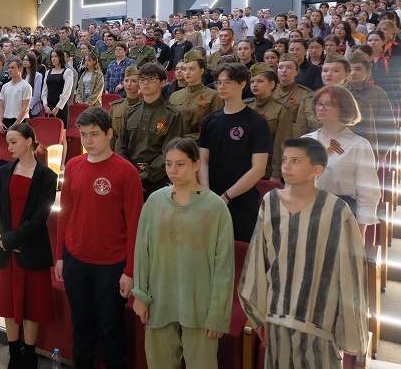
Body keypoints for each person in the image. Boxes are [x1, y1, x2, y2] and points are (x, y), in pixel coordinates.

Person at [239, 137, 369, 367]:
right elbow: (258, 258)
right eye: (285, 160)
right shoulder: (270, 201)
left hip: (319, 323)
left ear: (316, 170)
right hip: (277, 315)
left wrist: (348, 327)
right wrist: (257, 314)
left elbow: (351, 270)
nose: (286, 166)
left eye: (296, 161)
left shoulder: (337, 211)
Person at [132, 137, 234, 368]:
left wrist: (218, 314)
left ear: (196, 164)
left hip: (199, 303)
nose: (173, 171)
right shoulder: (155, 202)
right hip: (160, 299)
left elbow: (224, 266)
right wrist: (140, 295)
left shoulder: (215, 207)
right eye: (169, 164)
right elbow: (142, 252)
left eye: (180, 164)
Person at [55, 107, 143, 369]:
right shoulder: (74, 165)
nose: (88, 140)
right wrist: (60, 255)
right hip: (76, 258)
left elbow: (135, 225)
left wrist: (130, 271)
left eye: (94, 134)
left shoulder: (126, 171)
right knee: (81, 325)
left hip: (111, 264)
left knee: (110, 327)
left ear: (109, 134)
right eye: (83, 134)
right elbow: (64, 213)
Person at [0, 123, 58, 369]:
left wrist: (13, 240)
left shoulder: (47, 176)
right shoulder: (4, 170)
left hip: (30, 247)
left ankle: (29, 354)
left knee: (31, 305)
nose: (9, 147)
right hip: (5, 246)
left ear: (29, 142)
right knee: (8, 303)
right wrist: (3, 236)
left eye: (14, 142)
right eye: (8, 142)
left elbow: (40, 216)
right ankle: (14, 353)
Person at [198, 63, 272, 242]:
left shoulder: (257, 123)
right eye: (219, 82)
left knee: (239, 252)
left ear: (242, 84)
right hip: (211, 200)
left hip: (242, 202)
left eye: (228, 82)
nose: (221, 86)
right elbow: (203, 161)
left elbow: (258, 169)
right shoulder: (209, 121)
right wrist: (208, 194)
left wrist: (227, 196)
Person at [302, 85, 381, 239]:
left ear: (344, 109)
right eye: (318, 103)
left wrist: (359, 234)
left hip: (341, 213)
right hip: (306, 210)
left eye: (328, 104)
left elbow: (367, 192)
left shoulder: (358, 145)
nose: (321, 108)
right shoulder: (305, 141)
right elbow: (292, 184)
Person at [116, 63, 183, 197]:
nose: (146, 83)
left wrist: (144, 175)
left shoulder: (172, 114)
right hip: (129, 178)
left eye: (151, 79)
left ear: (162, 83)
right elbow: (121, 145)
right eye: (142, 79)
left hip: (158, 180)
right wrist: (129, 173)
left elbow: (169, 152)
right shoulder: (131, 112)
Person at [245, 64, 292, 182]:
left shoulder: (281, 109)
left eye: (260, 81)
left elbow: (281, 142)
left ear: (272, 84)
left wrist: (276, 173)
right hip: (243, 166)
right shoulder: (246, 105)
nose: (255, 85)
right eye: (252, 82)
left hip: (266, 169)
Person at [168, 50, 222, 141]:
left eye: (192, 69)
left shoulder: (213, 95)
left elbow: (217, 125)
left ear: (201, 71)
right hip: (177, 140)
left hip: (200, 141)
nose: (187, 72)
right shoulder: (175, 96)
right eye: (185, 69)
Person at [0, 57, 32, 133]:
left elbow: (25, 108)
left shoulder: (26, 86)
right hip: (6, 121)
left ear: (20, 69)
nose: (10, 70)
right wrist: (0, 122)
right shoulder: (5, 86)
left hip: (20, 121)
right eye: (9, 68)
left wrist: (16, 124)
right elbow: (1, 106)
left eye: (12, 68)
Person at [108, 66, 140, 149]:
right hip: (118, 149)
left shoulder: (144, 106)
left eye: (133, 81)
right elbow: (111, 134)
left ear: (139, 84)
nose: (129, 84)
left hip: (137, 149)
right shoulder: (116, 106)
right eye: (126, 81)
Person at [273, 53, 310, 121]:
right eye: (280, 67)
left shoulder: (305, 94)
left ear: (296, 72)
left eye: (289, 67)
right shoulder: (269, 90)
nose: (284, 70)